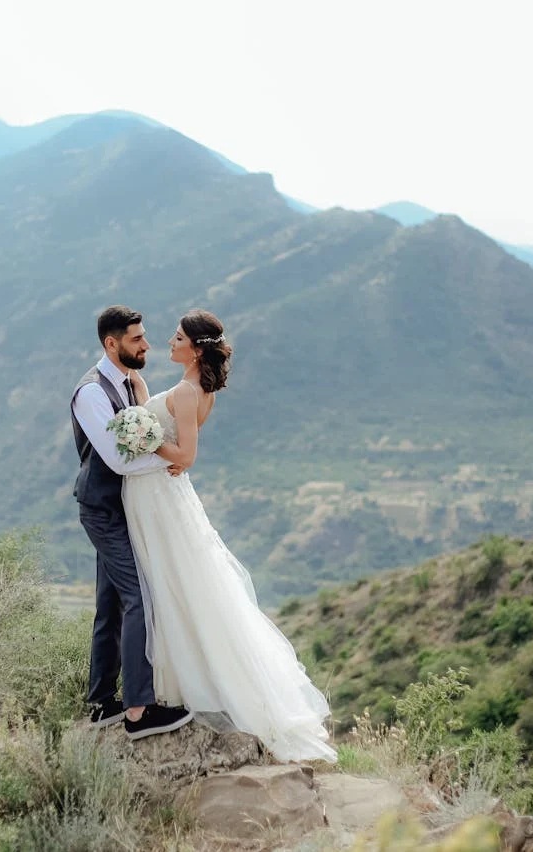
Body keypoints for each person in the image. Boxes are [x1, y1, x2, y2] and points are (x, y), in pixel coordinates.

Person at [123, 308, 336, 763]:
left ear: (196, 350)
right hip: (164, 495)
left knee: (171, 582)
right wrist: (141, 399)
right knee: (179, 582)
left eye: (178, 338)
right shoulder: (195, 390)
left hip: (159, 497)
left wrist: (144, 440)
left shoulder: (187, 392)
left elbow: (186, 455)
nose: (170, 342)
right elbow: (167, 422)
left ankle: (187, 683)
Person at [70, 305, 194, 740]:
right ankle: (139, 712)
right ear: (112, 343)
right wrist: (172, 463)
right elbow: (119, 461)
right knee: (139, 597)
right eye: (137, 339)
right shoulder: (91, 393)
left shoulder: (128, 383)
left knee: (110, 603)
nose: (146, 345)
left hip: (125, 509)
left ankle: (102, 702)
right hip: (103, 511)